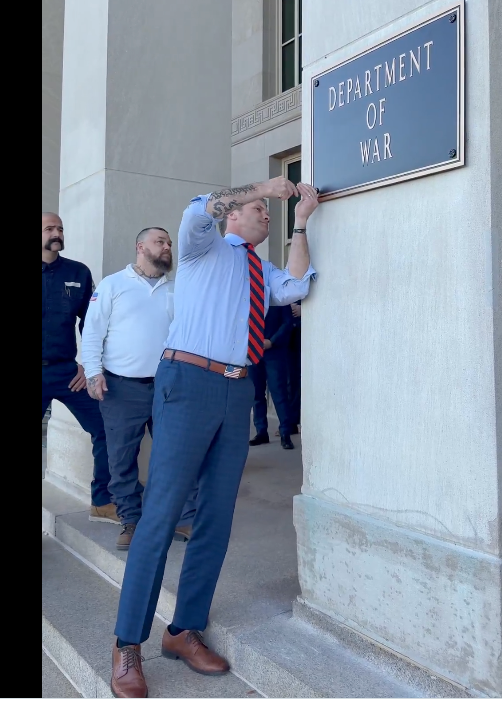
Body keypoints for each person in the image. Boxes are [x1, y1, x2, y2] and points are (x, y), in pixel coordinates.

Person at [108, 177, 320, 698]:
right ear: (233, 216)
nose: (265, 214)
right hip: (188, 381)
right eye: (259, 210)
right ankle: (127, 643)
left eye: (268, 211)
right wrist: (263, 185)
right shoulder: (203, 244)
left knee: (217, 517)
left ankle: (183, 631)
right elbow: (200, 205)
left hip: (235, 392)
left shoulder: (259, 268)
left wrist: (299, 222)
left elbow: (296, 286)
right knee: (161, 515)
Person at [79, 227, 199, 551]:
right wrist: (93, 374)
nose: (167, 247)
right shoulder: (113, 285)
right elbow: (92, 333)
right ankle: (131, 521)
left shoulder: (176, 289)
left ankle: (186, 518)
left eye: (169, 243)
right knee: (121, 459)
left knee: (176, 454)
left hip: (169, 387)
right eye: (160, 242)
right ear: (140, 247)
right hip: (121, 389)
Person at [41, 212, 118, 525]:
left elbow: (93, 323)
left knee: (106, 428)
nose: (57, 232)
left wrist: (89, 364)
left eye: (59, 227)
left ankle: (103, 501)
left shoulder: (78, 272)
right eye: (49, 228)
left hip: (66, 373)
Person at [249, 302, 297, 449]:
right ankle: (261, 432)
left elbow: (287, 322)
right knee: (256, 395)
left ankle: (285, 433)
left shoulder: (279, 297)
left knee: (279, 393)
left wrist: (272, 341)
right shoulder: (248, 297)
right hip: (252, 352)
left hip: (274, 352)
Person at [287, 301, 302, 431]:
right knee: (290, 380)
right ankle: (291, 421)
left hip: (303, 333)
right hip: (287, 336)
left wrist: (304, 310)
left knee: (298, 380)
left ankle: (294, 421)